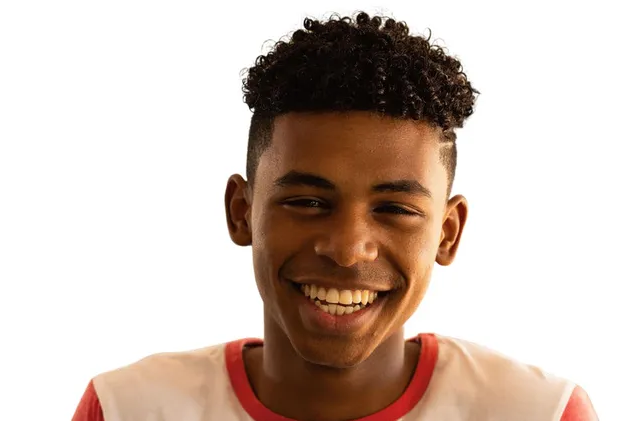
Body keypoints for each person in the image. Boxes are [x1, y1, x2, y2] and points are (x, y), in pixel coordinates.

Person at [72, 11, 598, 421]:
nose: (347, 249)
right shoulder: (125, 408)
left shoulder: (539, 412)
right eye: (307, 202)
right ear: (241, 212)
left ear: (447, 232)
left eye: (394, 209)